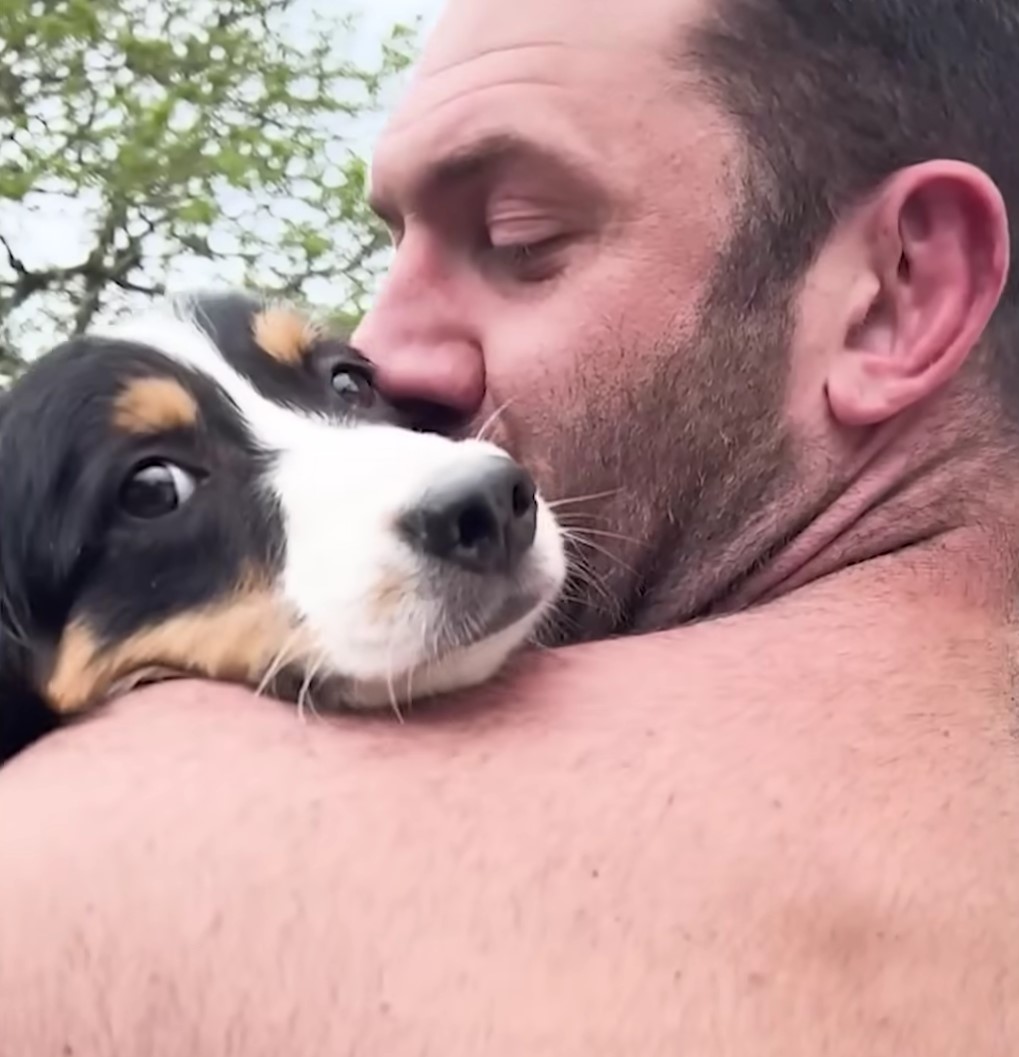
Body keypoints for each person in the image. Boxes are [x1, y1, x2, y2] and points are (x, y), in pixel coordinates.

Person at [3, 0, 1019, 1051]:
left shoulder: (79, 891)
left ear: (896, 291)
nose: (385, 355)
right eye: (159, 489)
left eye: (518, 239)